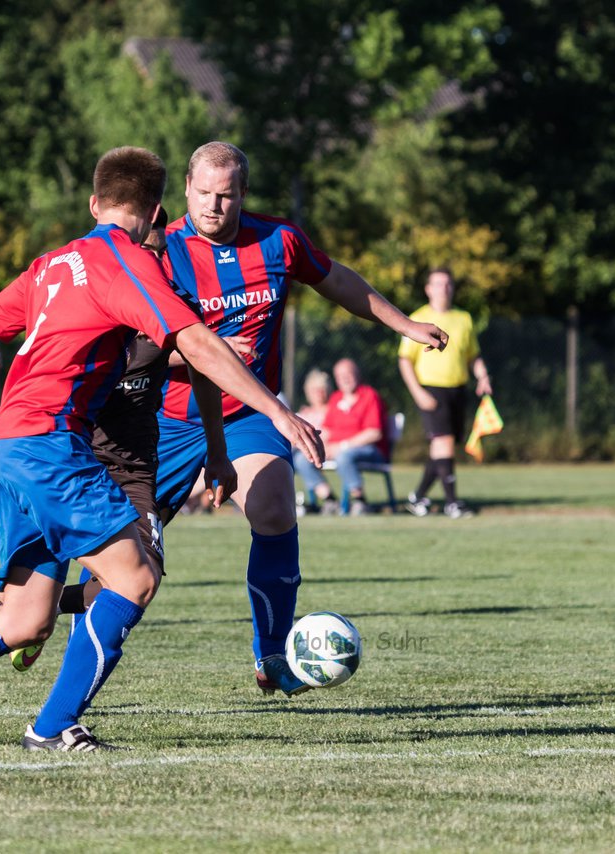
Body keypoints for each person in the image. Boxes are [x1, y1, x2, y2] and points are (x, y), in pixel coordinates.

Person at [0, 146, 323, 752]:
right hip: (49, 445)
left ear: (94, 203)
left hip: (4, 446)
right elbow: (196, 342)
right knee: (134, 578)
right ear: (159, 211)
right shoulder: (130, 263)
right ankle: (53, 726)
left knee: (24, 618)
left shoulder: (52, 264)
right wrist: (278, 410)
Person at [154, 141, 448, 698]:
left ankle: (272, 653)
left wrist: (403, 323)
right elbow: (133, 347)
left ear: (242, 193)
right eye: (204, 195)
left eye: (227, 196)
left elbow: (338, 280)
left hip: (248, 411)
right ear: (185, 189)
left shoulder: (277, 240)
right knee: (124, 562)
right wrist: (204, 351)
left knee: (273, 507)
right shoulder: (158, 253)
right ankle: (37, 623)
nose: (214, 207)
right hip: (164, 420)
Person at [0, 207, 238, 723]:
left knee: (142, 576)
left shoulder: (171, 303)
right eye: (146, 251)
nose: (151, 260)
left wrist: (217, 449)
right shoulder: (93, 295)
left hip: (134, 467)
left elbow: (200, 365)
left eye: (160, 254)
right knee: (34, 591)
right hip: (73, 457)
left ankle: (39, 627)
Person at [398, 267, 491, 519]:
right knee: (444, 443)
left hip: (458, 389)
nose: (444, 288)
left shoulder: (464, 319)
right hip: (431, 389)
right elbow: (405, 360)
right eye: (438, 284)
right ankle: (452, 503)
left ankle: (418, 497)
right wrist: (417, 392)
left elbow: (473, 355)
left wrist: (482, 376)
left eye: (448, 284)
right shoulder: (418, 318)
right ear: (428, 289)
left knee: (443, 449)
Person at [295, 359, 389, 516]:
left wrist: (342, 446)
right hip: (338, 449)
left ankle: (360, 501)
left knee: (344, 456)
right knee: (303, 458)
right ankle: (330, 500)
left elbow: (374, 433)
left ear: (357, 375)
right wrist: (317, 445)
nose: (345, 379)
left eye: (348, 374)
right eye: (340, 376)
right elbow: (327, 430)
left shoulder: (369, 396)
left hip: (370, 450)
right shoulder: (336, 399)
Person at [292, 369, 334, 514]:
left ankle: (329, 498)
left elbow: (330, 434)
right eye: (314, 390)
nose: (318, 393)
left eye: (321, 389)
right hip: (302, 450)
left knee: (300, 458)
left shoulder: (332, 411)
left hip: (322, 449)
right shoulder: (303, 413)